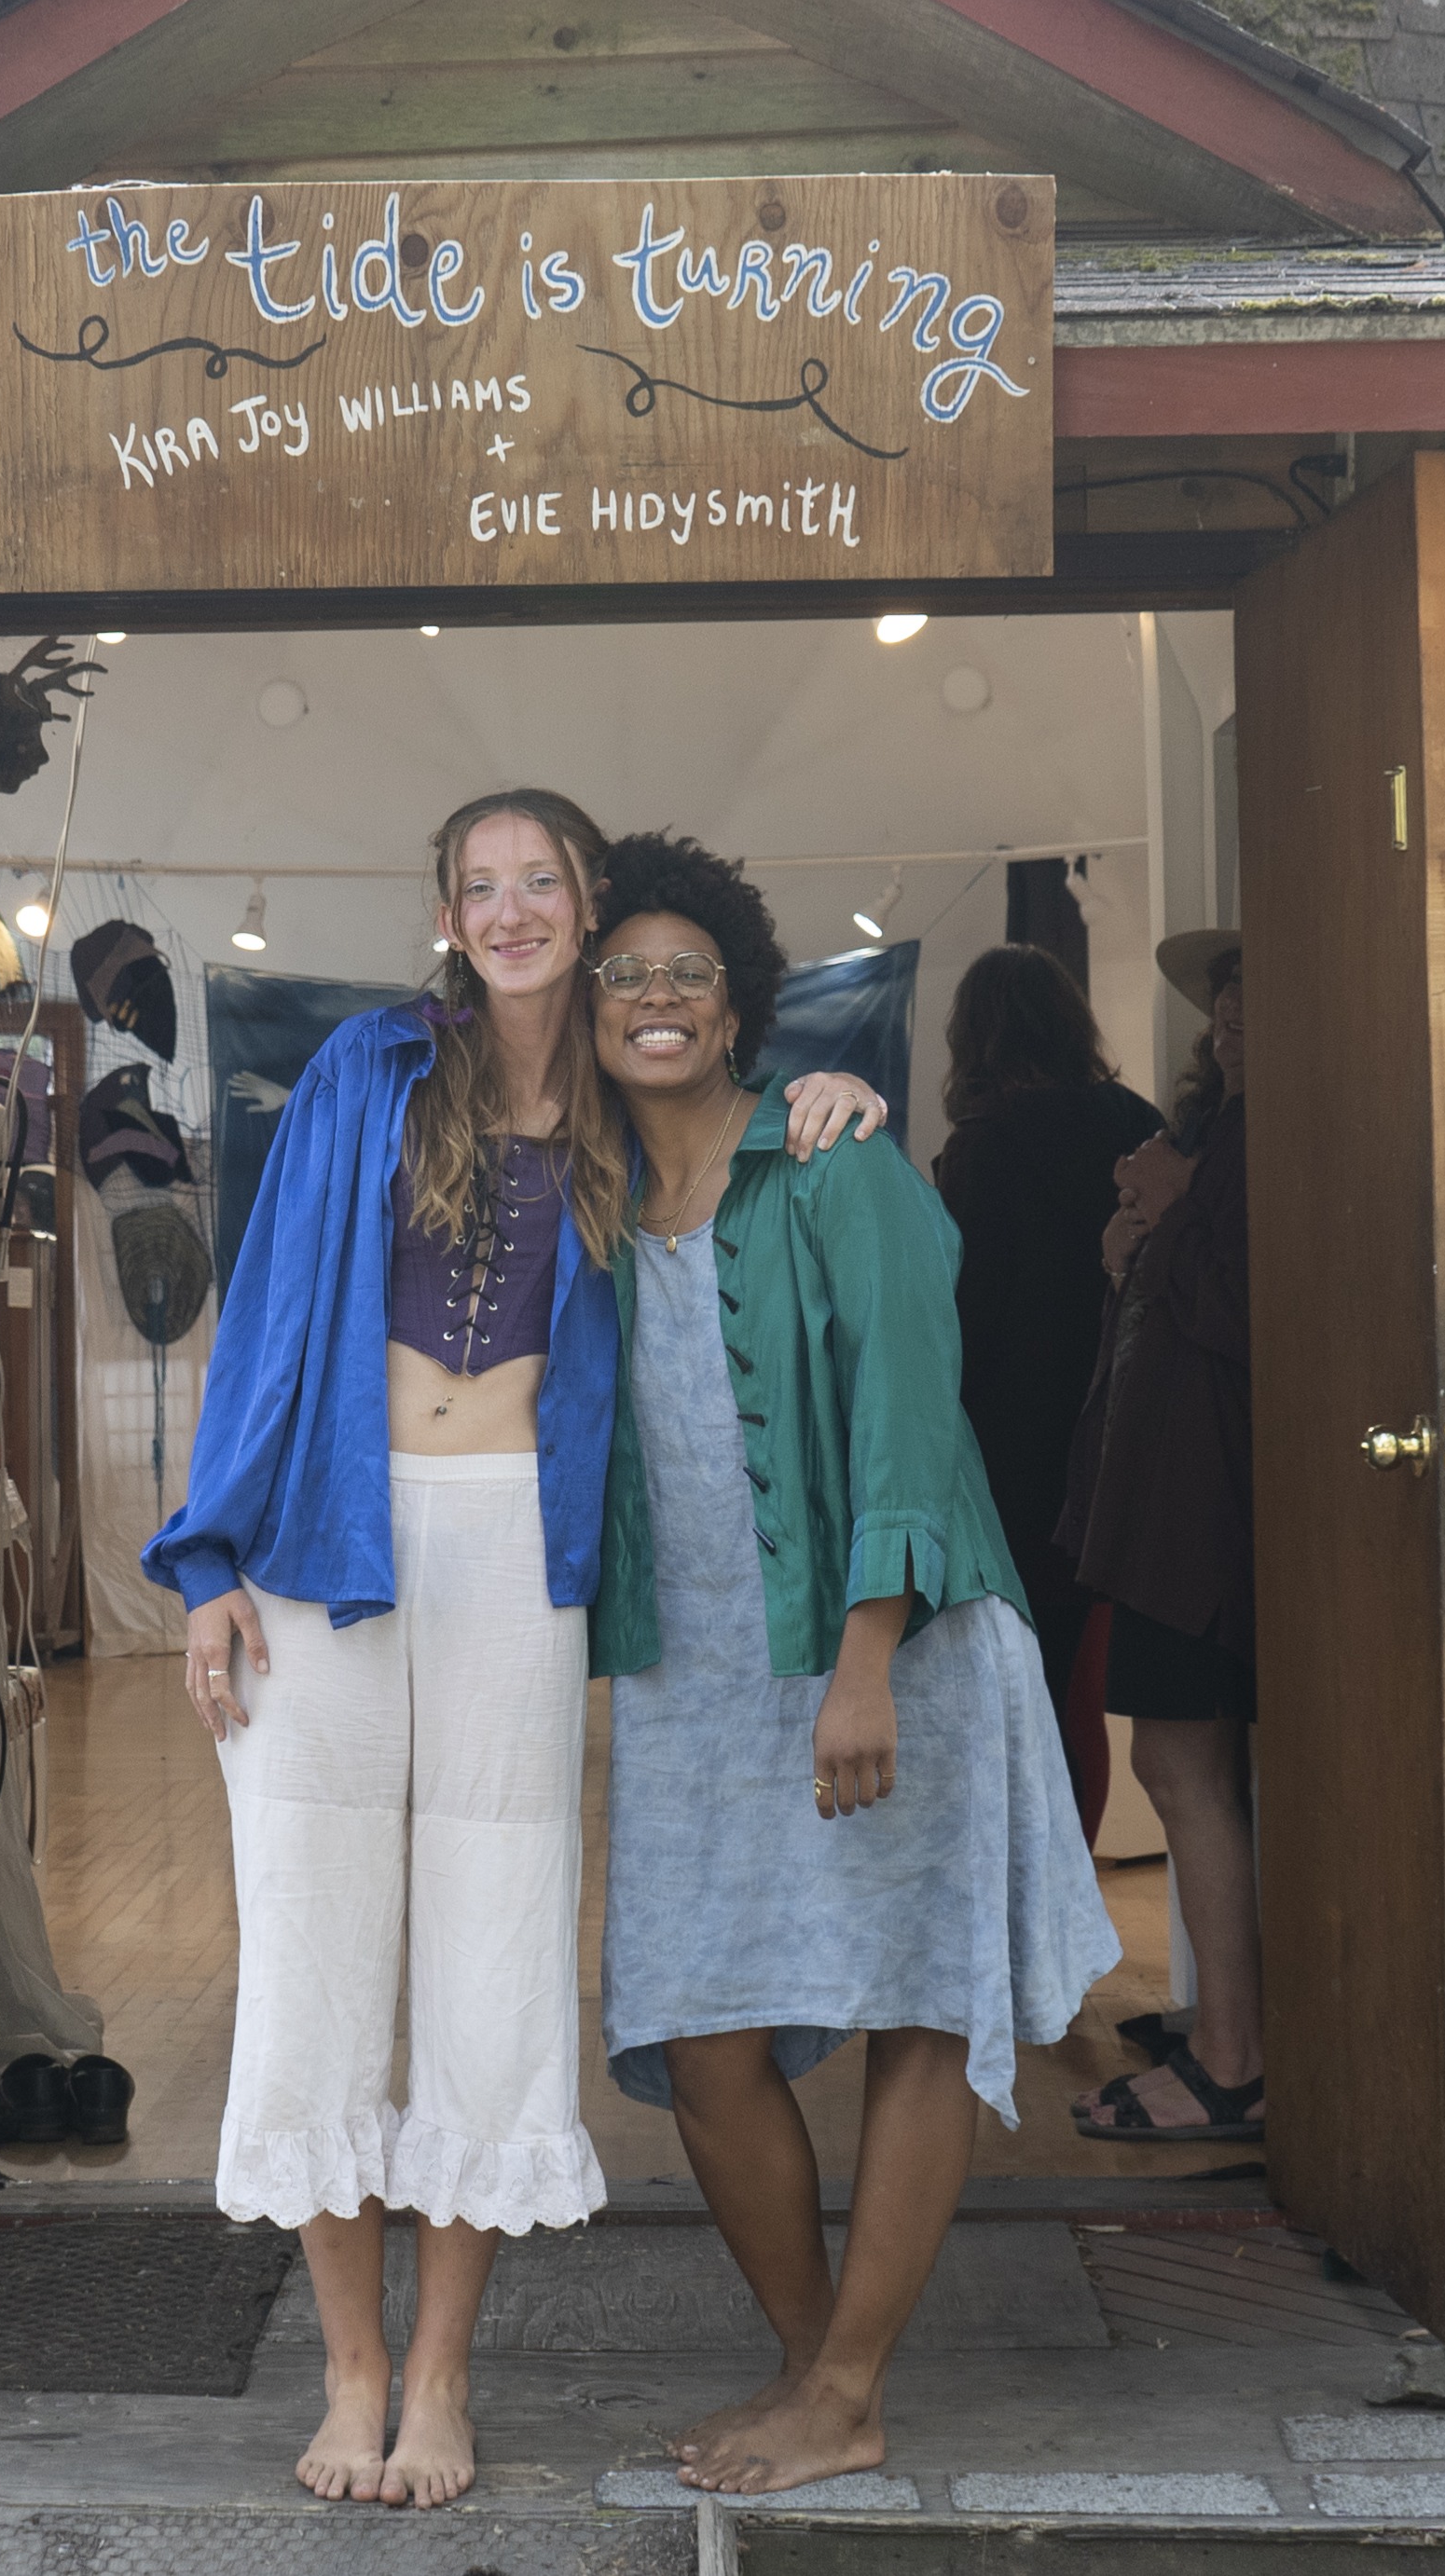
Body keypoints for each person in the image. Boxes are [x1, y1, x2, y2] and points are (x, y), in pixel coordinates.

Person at [146, 789, 884, 2511]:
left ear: (588, 898)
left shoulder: (630, 1098)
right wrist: (207, 1558)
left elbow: (742, 1119)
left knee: (494, 1958)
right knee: (316, 1949)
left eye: (537, 879)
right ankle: (347, 2368)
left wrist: (832, 1096)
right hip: (327, 1538)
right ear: (447, 914)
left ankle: (439, 2378)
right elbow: (268, 1309)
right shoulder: (370, 1069)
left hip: (516, 1560)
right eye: (478, 884)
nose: (509, 909)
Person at [587, 831, 1119, 2499]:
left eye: (687, 971)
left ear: (738, 1003)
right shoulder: (587, 1200)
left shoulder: (839, 1165)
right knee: (696, 2029)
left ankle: (843, 2390)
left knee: (916, 1998)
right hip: (691, 1682)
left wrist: (865, 1660)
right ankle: (818, 2369)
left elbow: (908, 1416)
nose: (656, 996)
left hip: (896, 1648)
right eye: (624, 973)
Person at [1058, 931, 1258, 2143]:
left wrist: (1172, 1212)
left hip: (1205, 1515)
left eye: (1254, 998)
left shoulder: (1257, 1147)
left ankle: (1232, 2058)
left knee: (1182, 1767)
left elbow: (1250, 1311)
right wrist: (1129, 1250)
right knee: (1184, 1769)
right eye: (1224, 998)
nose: (1229, 1016)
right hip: (1177, 1509)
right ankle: (1231, 2026)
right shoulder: (1218, 1137)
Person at [931, 944, 1163, 1824]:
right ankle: (1075, 1890)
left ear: (972, 1036)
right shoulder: (1137, 1123)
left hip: (1010, 1458)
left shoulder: (985, 1146)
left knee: (1008, 1692)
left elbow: (964, 1316)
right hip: (1122, 1440)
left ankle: (1022, 1892)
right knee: (1078, 1692)